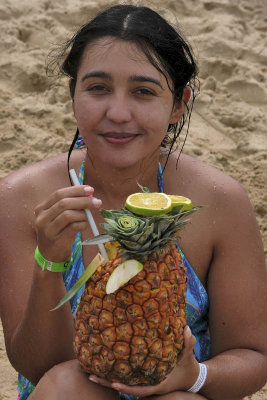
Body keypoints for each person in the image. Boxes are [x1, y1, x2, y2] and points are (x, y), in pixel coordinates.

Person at [0, 4, 266, 400]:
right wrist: (49, 263)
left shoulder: (218, 202)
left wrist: (192, 377)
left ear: (178, 104)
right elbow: (38, 368)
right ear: (73, 93)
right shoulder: (21, 199)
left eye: (143, 92)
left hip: (183, 394)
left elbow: (254, 355)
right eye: (98, 88)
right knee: (67, 386)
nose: (118, 113)